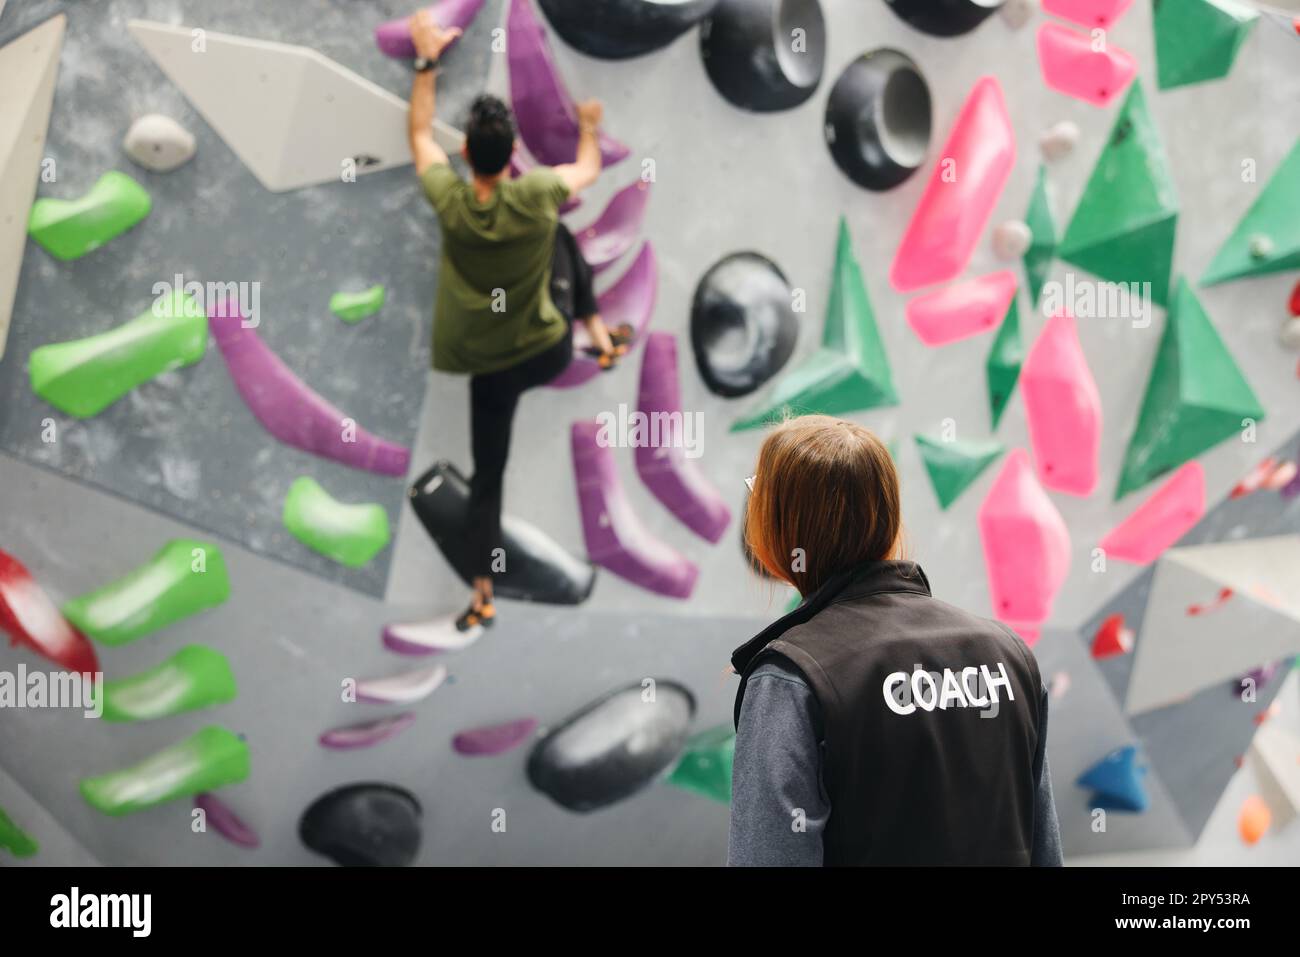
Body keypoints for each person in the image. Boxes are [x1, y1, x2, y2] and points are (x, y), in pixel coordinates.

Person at [729, 415, 1062, 866]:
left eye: (757, 497)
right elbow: (1045, 850)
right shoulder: (1008, 655)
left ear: (779, 528)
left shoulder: (792, 678)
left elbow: (770, 857)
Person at [406, 12, 627, 636]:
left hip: (493, 370)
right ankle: (599, 335)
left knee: (488, 478)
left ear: (468, 156)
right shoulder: (535, 197)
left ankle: (482, 592)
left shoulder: (451, 202)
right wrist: (588, 126)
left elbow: (420, 133)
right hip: (549, 350)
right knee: (560, 232)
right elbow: (587, 169)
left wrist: (427, 61)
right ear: (510, 164)